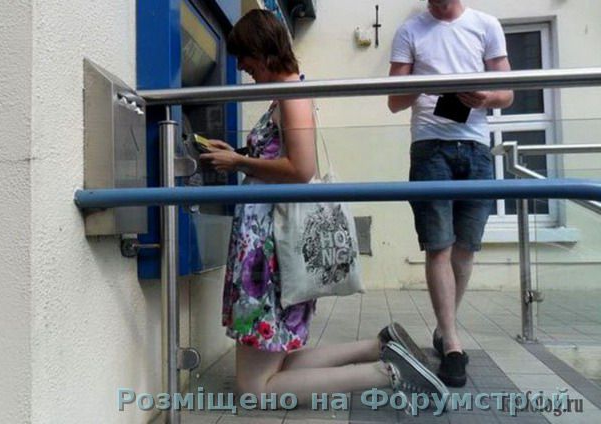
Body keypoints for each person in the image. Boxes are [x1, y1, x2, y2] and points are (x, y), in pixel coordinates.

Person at [200, 9, 449, 409]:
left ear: (263, 51)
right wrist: (240, 155)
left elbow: (301, 170)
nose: (241, 66)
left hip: (271, 251)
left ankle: (387, 371)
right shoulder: (286, 94)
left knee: (255, 389)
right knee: (277, 362)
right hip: (268, 246)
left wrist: (240, 163)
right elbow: (281, 159)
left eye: (244, 56)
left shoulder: (291, 95)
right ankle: (379, 346)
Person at [387, 0, 514, 387]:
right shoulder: (410, 30)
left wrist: (485, 97)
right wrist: (425, 84)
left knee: (466, 248)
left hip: (476, 146)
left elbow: (507, 92)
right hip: (430, 147)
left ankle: (445, 330)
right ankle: (453, 343)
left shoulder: (486, 24)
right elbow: (393, 100)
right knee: (439, 245)